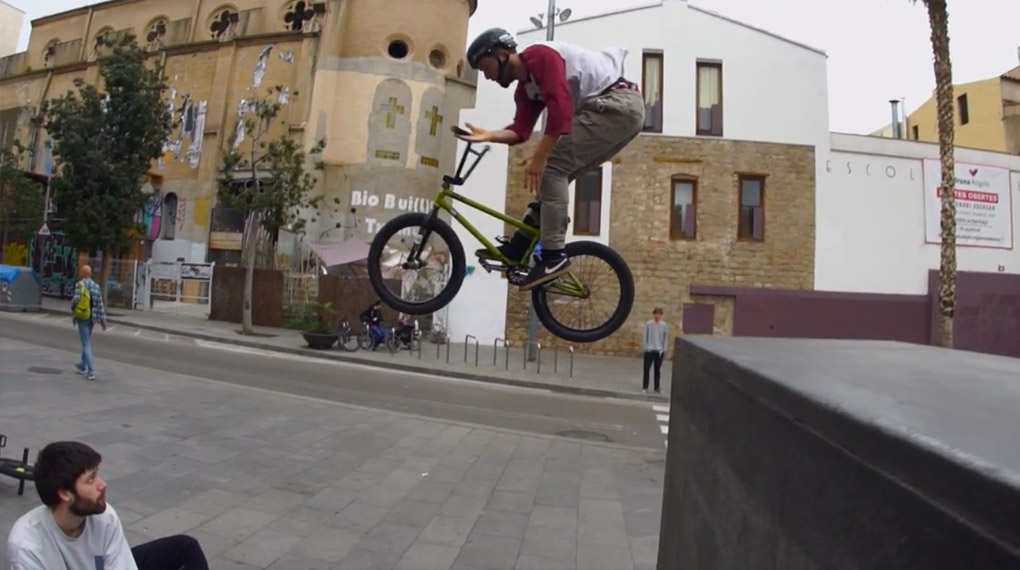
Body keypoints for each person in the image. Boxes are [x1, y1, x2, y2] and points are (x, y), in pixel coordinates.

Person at [456, 28, 645, 290]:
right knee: (553, 177)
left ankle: (553, 256)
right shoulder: (525, 91)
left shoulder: (540, 56)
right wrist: (489, 135)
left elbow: (561, 112)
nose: (487, 76)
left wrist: (539, 158)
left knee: (553, 168)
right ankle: (519, 246)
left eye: (485, 68)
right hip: (617, 114)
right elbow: (520, 131)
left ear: (501, 54)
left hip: (616, 105)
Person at [6, 440, 209, 570]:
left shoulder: (104, 516)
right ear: (65, 493)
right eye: (90, 479)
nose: (102, 484)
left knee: (185, 547)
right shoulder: (27, 546)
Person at [71, 265, 107, 381]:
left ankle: (91, 371)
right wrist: (103, 321)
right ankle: (83, 365)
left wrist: (74, 311)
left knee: (86, 343)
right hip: (92, 318)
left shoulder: (80, 284)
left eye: (81, 272)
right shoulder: (96, 286)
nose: (80, 273)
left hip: (82, 317)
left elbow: (75, 300)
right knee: (86, 340)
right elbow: (100, 304)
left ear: (84, 273)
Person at [642, 307, 668, 393]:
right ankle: (645, 387)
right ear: (653, 315)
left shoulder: (664, 325)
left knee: (657, 370)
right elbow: (645, 336)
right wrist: (645, 347)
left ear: (661, 315)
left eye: (659, 314)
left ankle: (657, 387)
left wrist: (664, 349)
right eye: (656, 314)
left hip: (659, 350)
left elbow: (665, 337)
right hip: (649, 350)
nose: (657, 316)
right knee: (646, 368)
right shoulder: (649, 324)